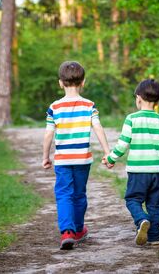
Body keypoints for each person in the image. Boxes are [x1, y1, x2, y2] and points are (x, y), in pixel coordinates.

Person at [42, 61, 111, 250]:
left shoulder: (54, 107)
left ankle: (67, 231)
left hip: (63, 160)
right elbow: (97, 126)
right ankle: (79, 229)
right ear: (83, 82)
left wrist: (45, 156)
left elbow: (49, 134)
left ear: (60, 83)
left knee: (64, 193)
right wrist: (107, 152)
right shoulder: (89, 105)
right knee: (79, 194)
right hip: (82, 159)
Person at [103, 79, 159, 246]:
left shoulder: (132, 119)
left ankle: (141, 219)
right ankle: (155, 237)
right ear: (157, 101)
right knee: (154, 204)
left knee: (133, 200)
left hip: (138, 171)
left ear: (138, 98)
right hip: (157, 171)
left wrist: (110, 158)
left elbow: (122, 144)